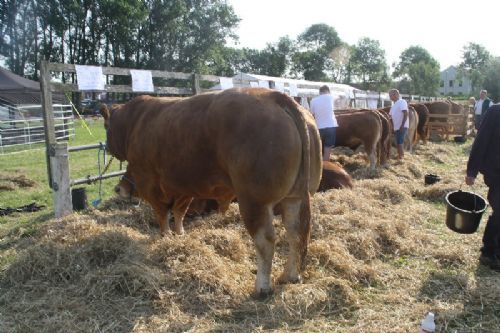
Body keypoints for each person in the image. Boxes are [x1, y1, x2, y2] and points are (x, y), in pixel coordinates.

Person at [465, 103, 500, 271]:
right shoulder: (496, 111)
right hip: (496, 171)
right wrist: (472, 171)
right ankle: (488, 252)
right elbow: (481, 140)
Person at [310, 85, 338, 161]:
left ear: (320, 92)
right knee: (328, 147)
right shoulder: (332, 97)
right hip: (331, 125)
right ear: (328, 91)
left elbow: (311, 114)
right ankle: (326, 164)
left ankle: (318, 163)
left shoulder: (313, 100)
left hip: (319, 126)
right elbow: (339, 103)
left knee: (318, 146)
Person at [388, 89, 409, 162]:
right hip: (396, 127)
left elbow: (405, 113)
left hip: (401, 126)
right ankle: (400, 156)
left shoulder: (402, 102)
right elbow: (390, 116)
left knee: (400, 142)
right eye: (389, 95)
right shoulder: (393, 105)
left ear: (396, 95)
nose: (390, 97)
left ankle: (401, 157)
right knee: (398, 142)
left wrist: (402, 125)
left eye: (391, 95)